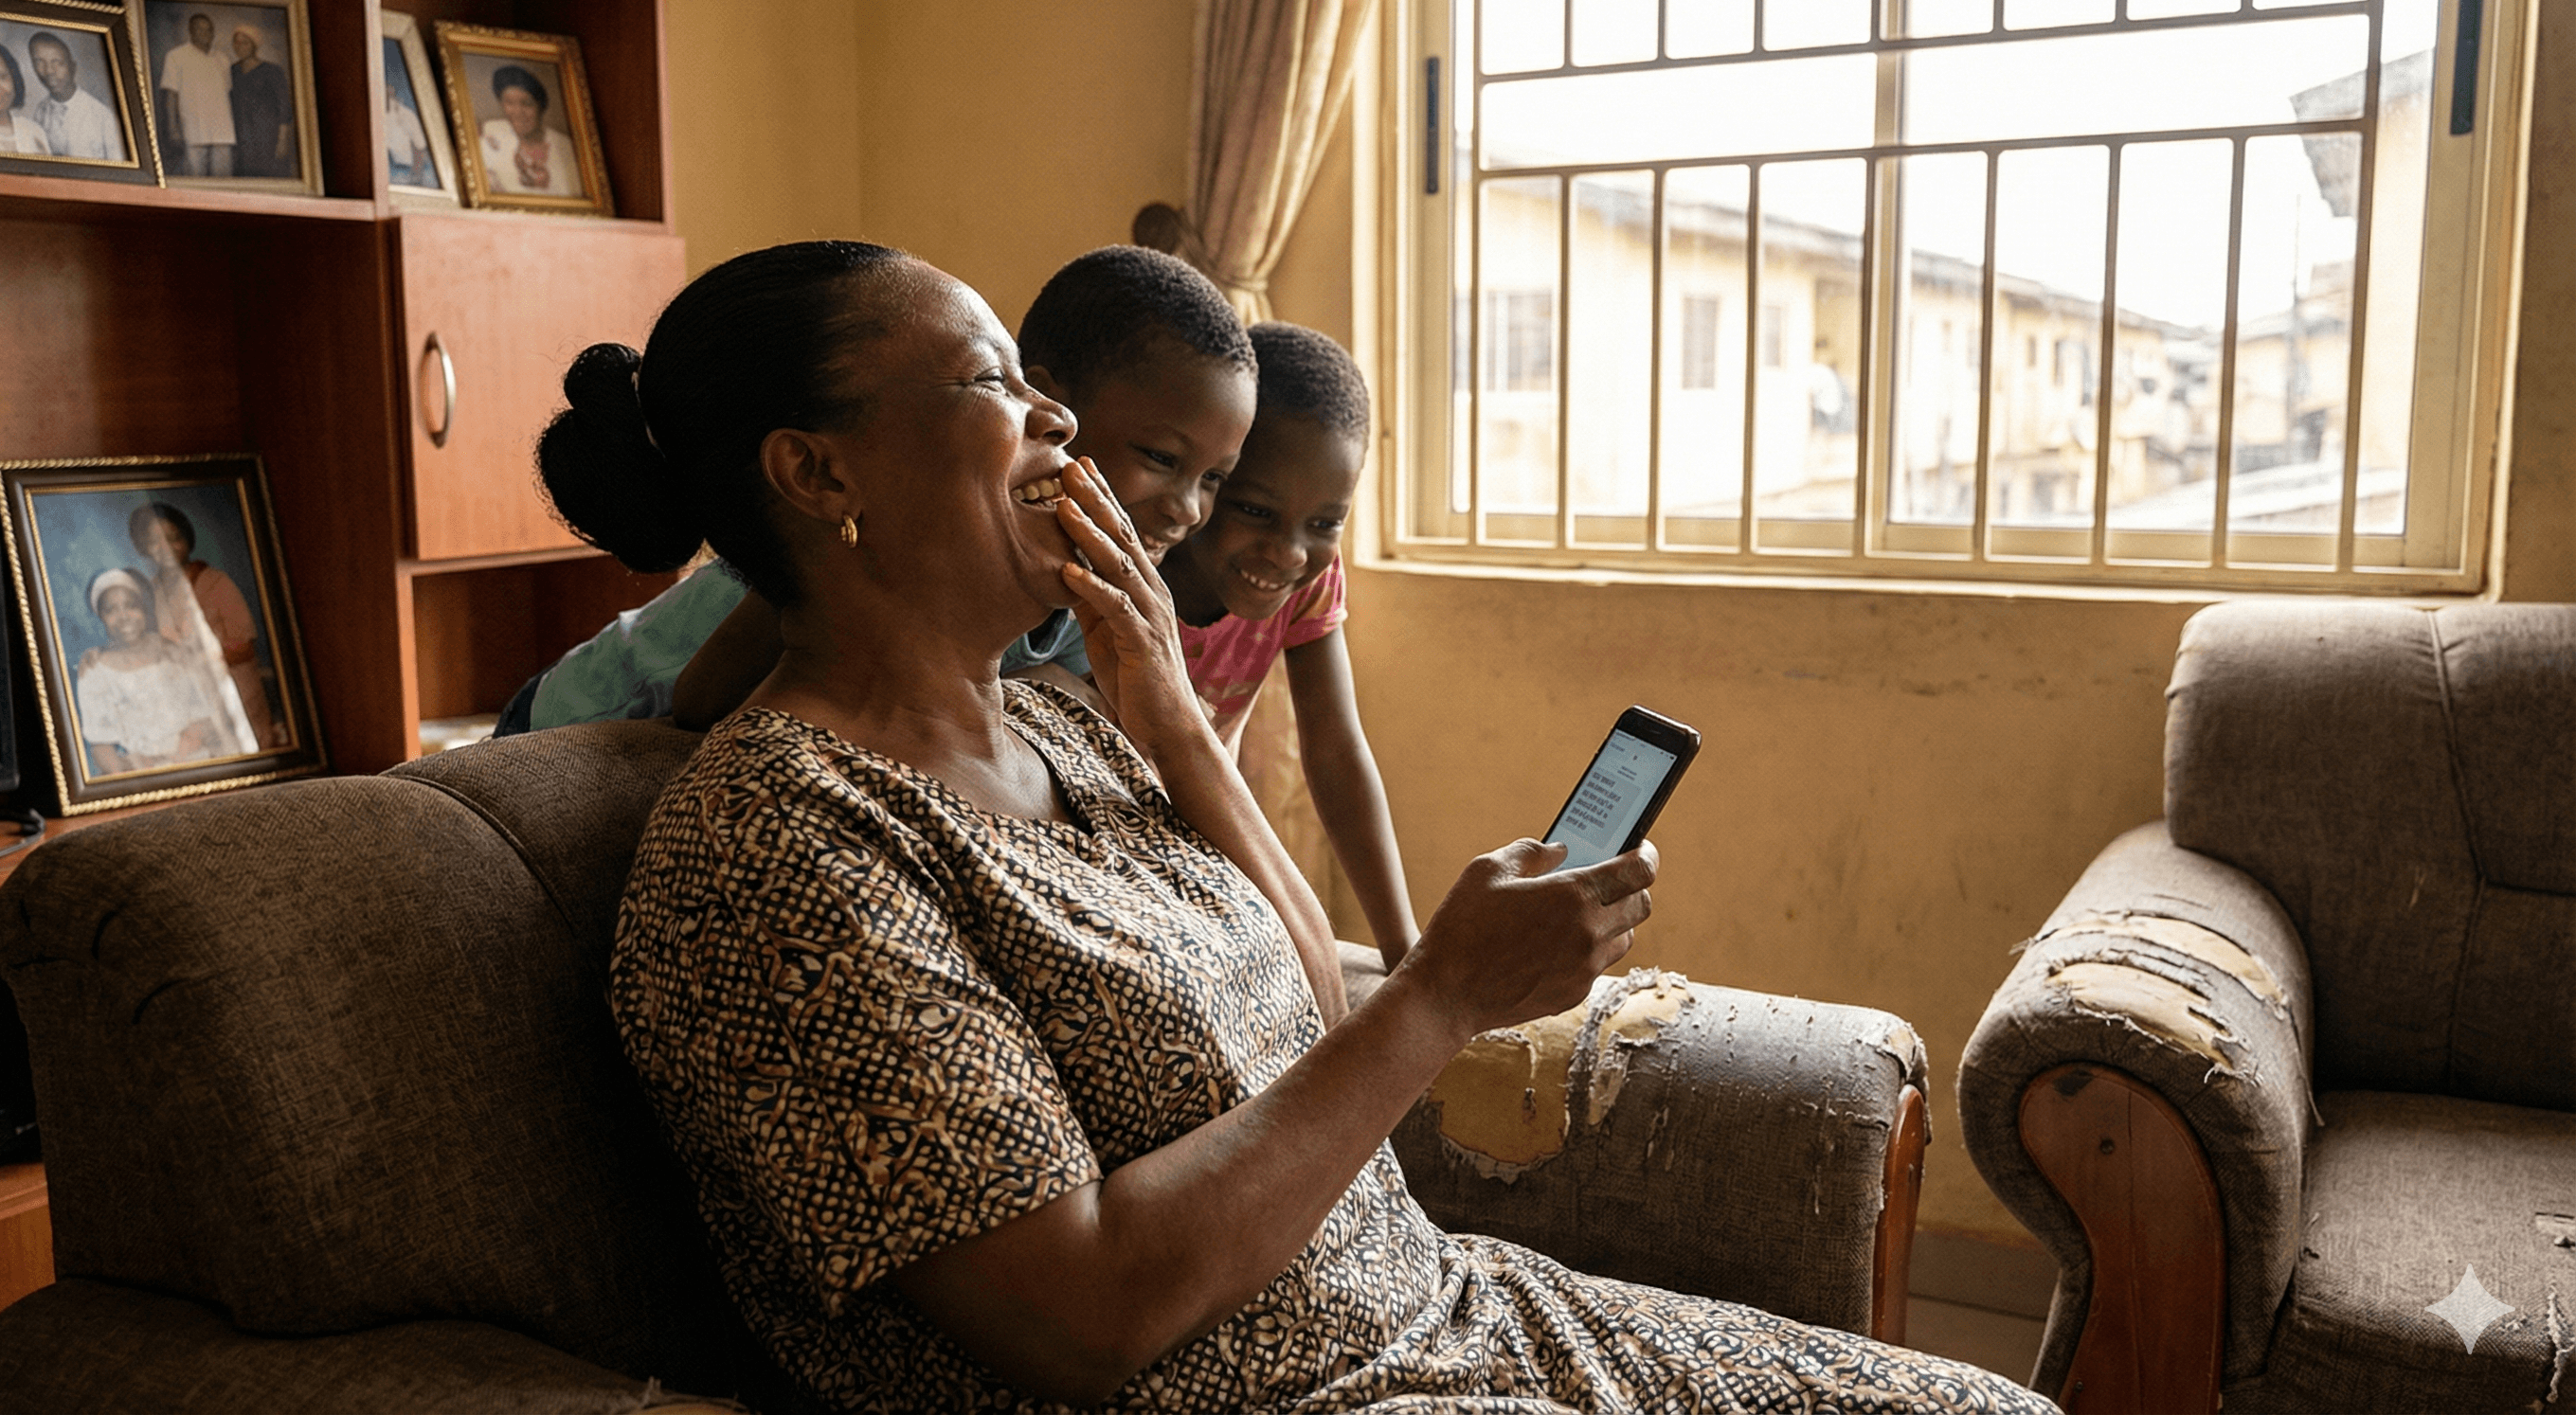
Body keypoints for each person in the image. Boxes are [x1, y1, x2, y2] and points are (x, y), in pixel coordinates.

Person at [542, 240, 2053, 1413]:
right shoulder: (778, 849)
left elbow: (1311, 1007)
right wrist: (1448, 992)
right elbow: (1079, 1321)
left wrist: (1172, 713)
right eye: (1002, 387)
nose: (1058, 423)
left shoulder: (1066, 724)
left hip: (1446, 1314)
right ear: (817, 472)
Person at [501, 243, 1253, 735]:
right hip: (567, 715)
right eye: (1159, 456)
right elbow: (702, 702)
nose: (1186, 508)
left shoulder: (1053, 585)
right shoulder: (818, 565)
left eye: (1215, 478)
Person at [1159, 322, 1419, 964]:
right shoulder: (1141, 570)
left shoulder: (1308, 579)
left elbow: (1334, 752)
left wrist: (1403, 950)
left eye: (1325, 523)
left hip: (1200, 843)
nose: (1289, 552)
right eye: (1255, 510)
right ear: (1210, 480)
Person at [126, 502, 279, 751]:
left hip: (232, 690)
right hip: (182, 699)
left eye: (174, 538)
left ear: (187, 540)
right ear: (142, 547)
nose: (166, 548)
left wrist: (196, 663)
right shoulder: (149, 595)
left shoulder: (215, 582)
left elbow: (244, 649)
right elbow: (143, 647)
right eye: (155, 541)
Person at [74, 569, 233, 776]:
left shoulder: (174, 655)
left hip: (195, 760)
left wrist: (176, 759)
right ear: (101, 617)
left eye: (131, 606)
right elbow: (100, 745)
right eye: (111, 610)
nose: (123, 617)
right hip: (141, 775)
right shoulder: (94, 671)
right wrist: (132, 778)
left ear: (143, 608)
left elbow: (204, 716)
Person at [477, 64, 579, 198]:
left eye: (527, 103)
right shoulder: (490, 144)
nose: (518, 112)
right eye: (509, 103)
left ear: (540, 106)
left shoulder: (566, 148)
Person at [26, 31, 125, 162]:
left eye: (58, 62)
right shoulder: (40, 112)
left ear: (73, 67)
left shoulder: (102, 116)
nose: (49, 71)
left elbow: (118, 169)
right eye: (39, 62)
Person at [157, 10, 235, 177]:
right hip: (194, 129)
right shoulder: (176, 56)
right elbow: (171, 96)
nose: (205, 33)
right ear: (191, 31)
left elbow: (228, 95)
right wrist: (173, 128)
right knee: (196, 182)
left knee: (224, 184)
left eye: (208, 29)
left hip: (223, 131)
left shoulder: (223, 59)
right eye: (200, 29)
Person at [226, 25, 295, 178]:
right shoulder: (231, 71)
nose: (240, 46)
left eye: (245, 42)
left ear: (255, 45)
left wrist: (282, 141)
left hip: (267, 136)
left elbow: (284, 107)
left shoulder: (272, 71)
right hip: (241, 136)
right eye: (236, 42)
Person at [382, 42, 436, 188]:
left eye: (387, 87)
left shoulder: (406, 114)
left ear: (391, 89)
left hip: (405, 174)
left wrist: (416, 178)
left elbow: (419, 147)